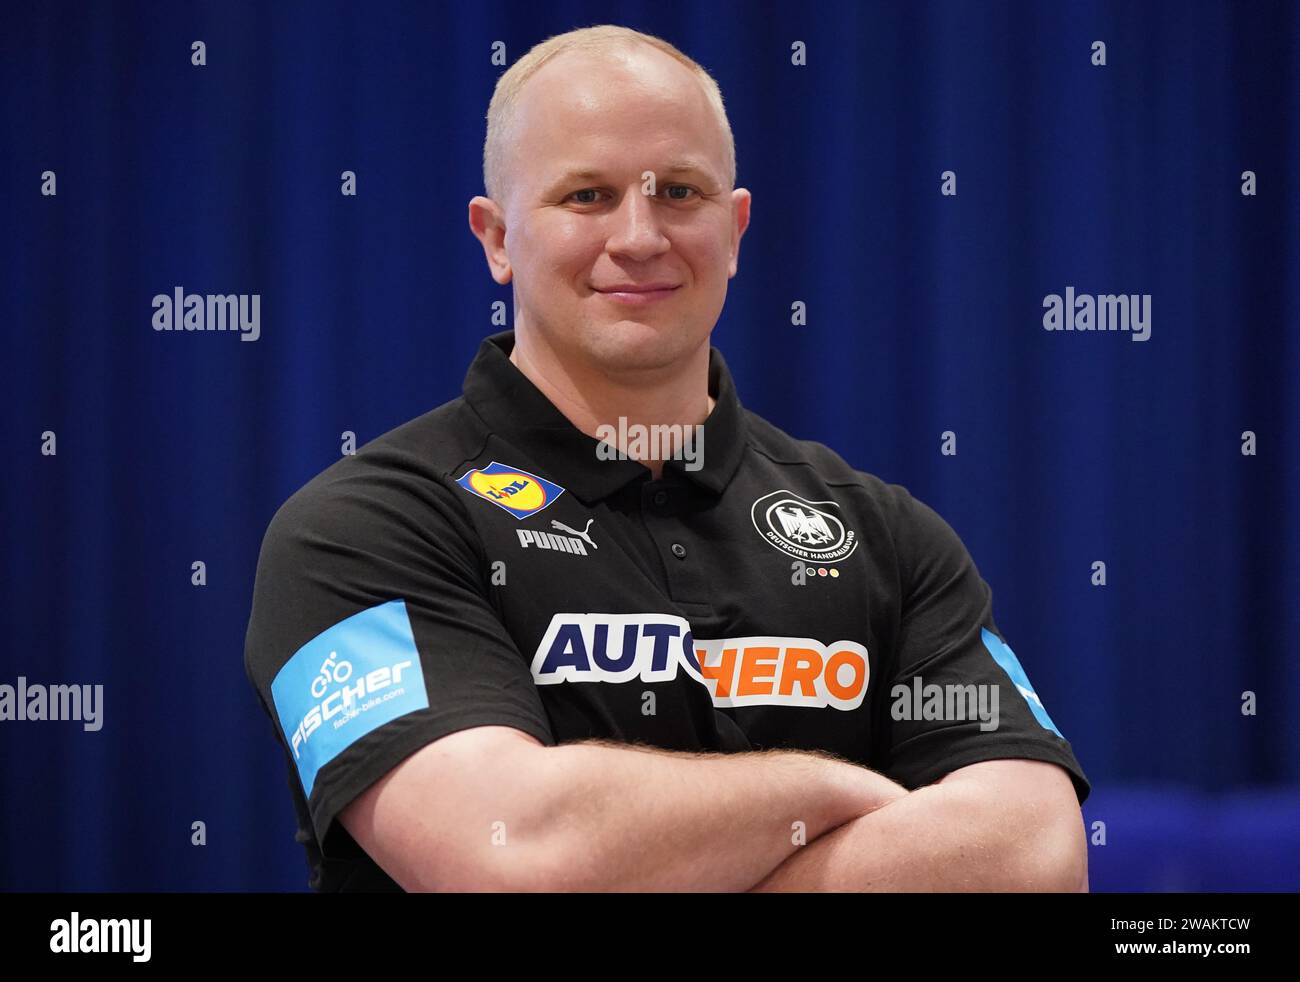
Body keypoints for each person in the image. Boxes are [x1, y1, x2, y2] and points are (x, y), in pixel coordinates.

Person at [243, 24, 1090, 892]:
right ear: (496, 239)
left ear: (735, 227)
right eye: (586, 197)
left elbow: (1035, 859)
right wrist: (836, 791)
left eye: (680, 191)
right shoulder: (359, 530)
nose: (640, 236)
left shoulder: (885, 533)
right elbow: (517, 858)